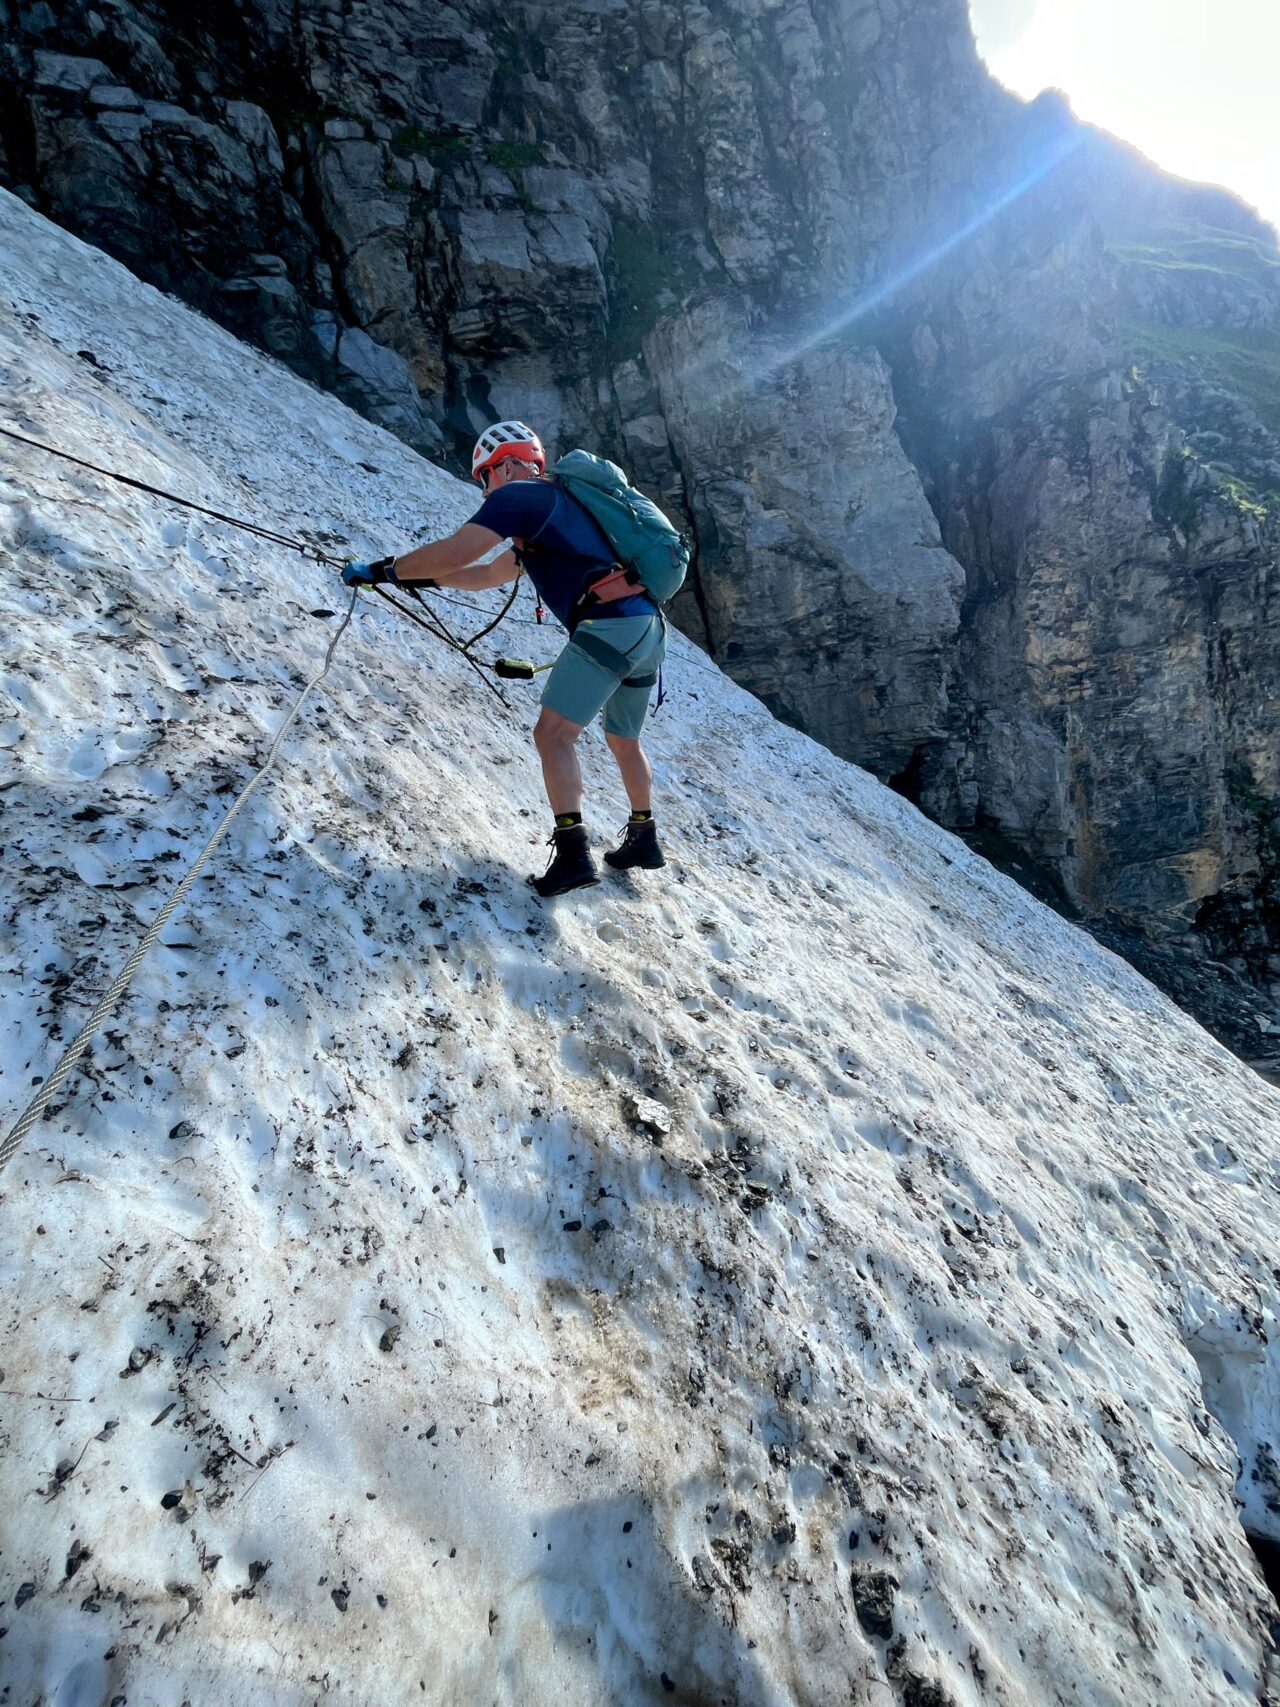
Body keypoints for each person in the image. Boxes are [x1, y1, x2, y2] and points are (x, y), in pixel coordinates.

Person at [342, 421, 667, 897]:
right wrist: (425, 581)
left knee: (553, 734)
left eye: (486, 477)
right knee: (623, 738)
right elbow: (487, 574)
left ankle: (574, 855)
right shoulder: (558, 510)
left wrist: (383, 571)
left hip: (609, 625)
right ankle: (644, 837)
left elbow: (456, 552)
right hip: (647, 629)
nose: (486, 489)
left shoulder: (522, 499)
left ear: (509, 464)